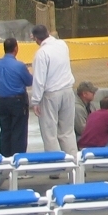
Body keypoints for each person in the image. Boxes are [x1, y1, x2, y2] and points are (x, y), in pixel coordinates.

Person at [30, 25, 78, 156]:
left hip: (51, 94)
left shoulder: (41, 53)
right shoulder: (62, 44)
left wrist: (35, 101)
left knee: (49, 133)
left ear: (35, 38)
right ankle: (74, 162)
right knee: (67, 131)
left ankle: (56, 165)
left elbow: (39, 80)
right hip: (68, 90)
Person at [0, 37, 32, 157]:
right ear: (16, 48)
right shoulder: (19, 66)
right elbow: (29, 81)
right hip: (17, 101)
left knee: (5, 132)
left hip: (2, 102)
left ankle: (4, 161)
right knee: (18, 132)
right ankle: (18, 164)